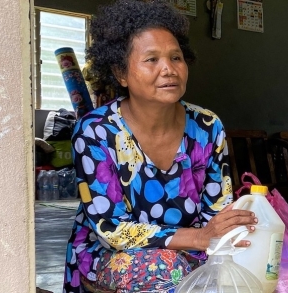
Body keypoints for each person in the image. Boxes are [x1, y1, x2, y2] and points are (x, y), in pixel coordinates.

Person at [63, 1, 257, 292]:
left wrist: (229, 232)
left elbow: (217, 213)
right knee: (169, 269)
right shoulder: (96, 131)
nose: (168, 69)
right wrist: (199, 238)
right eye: (151, 59)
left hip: (197, 249)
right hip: (109, 254)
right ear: (121, 73)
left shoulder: (207, 126)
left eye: (176, 58)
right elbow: (111, 229)